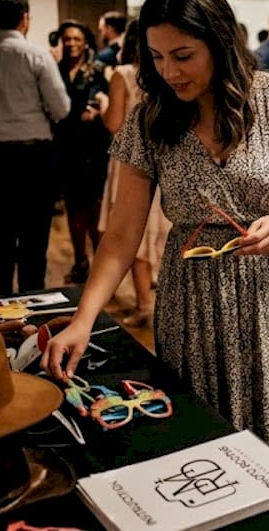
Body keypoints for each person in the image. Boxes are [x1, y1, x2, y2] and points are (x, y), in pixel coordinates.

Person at [42, 0, 269, 511]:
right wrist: (84, 318)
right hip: (193, 297)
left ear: (220, 41)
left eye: (183, 55)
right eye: (156, 57)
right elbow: (121, 235)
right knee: (206, 437)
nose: (169, 72)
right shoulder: (150, 118)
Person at [0, 0, 71, 295]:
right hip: (33, 156)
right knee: (34, 240)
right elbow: (61, 108)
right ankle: (33, 306)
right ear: (25, 19)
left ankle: (0, 309)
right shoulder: (36, 56)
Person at [101, 20, 171, 326]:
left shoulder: (124, 75)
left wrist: (104, 103)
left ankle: (145, 305)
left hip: (131, 162)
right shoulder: (167, 74)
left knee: (133, 232)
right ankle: (172, 304)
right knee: (168, 232)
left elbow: (114, 124)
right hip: (168, 157)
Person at [54, 20, 112, 283]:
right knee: (74, 206)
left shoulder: (98, 70)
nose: (71, 44)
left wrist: (99, 111)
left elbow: (112, 102)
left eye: (76, 39)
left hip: (95, 144)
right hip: (67, 144)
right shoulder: (55, 70)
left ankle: (100, 262)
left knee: (96, 207)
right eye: (67, 39)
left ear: (85, 41)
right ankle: (80, 261)